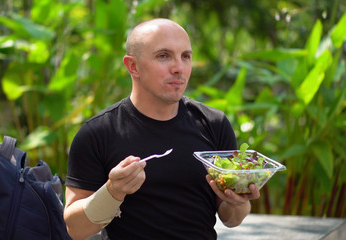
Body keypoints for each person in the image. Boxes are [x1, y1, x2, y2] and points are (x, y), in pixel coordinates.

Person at [64, 18, 260, 240]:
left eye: (185, 56)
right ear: (133, 66)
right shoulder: (98, 133)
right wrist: (112, 192)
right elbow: (75, 229)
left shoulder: (213, 124)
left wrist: (239, 200)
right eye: (163, 56)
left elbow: (232, 219)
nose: (178, 68)